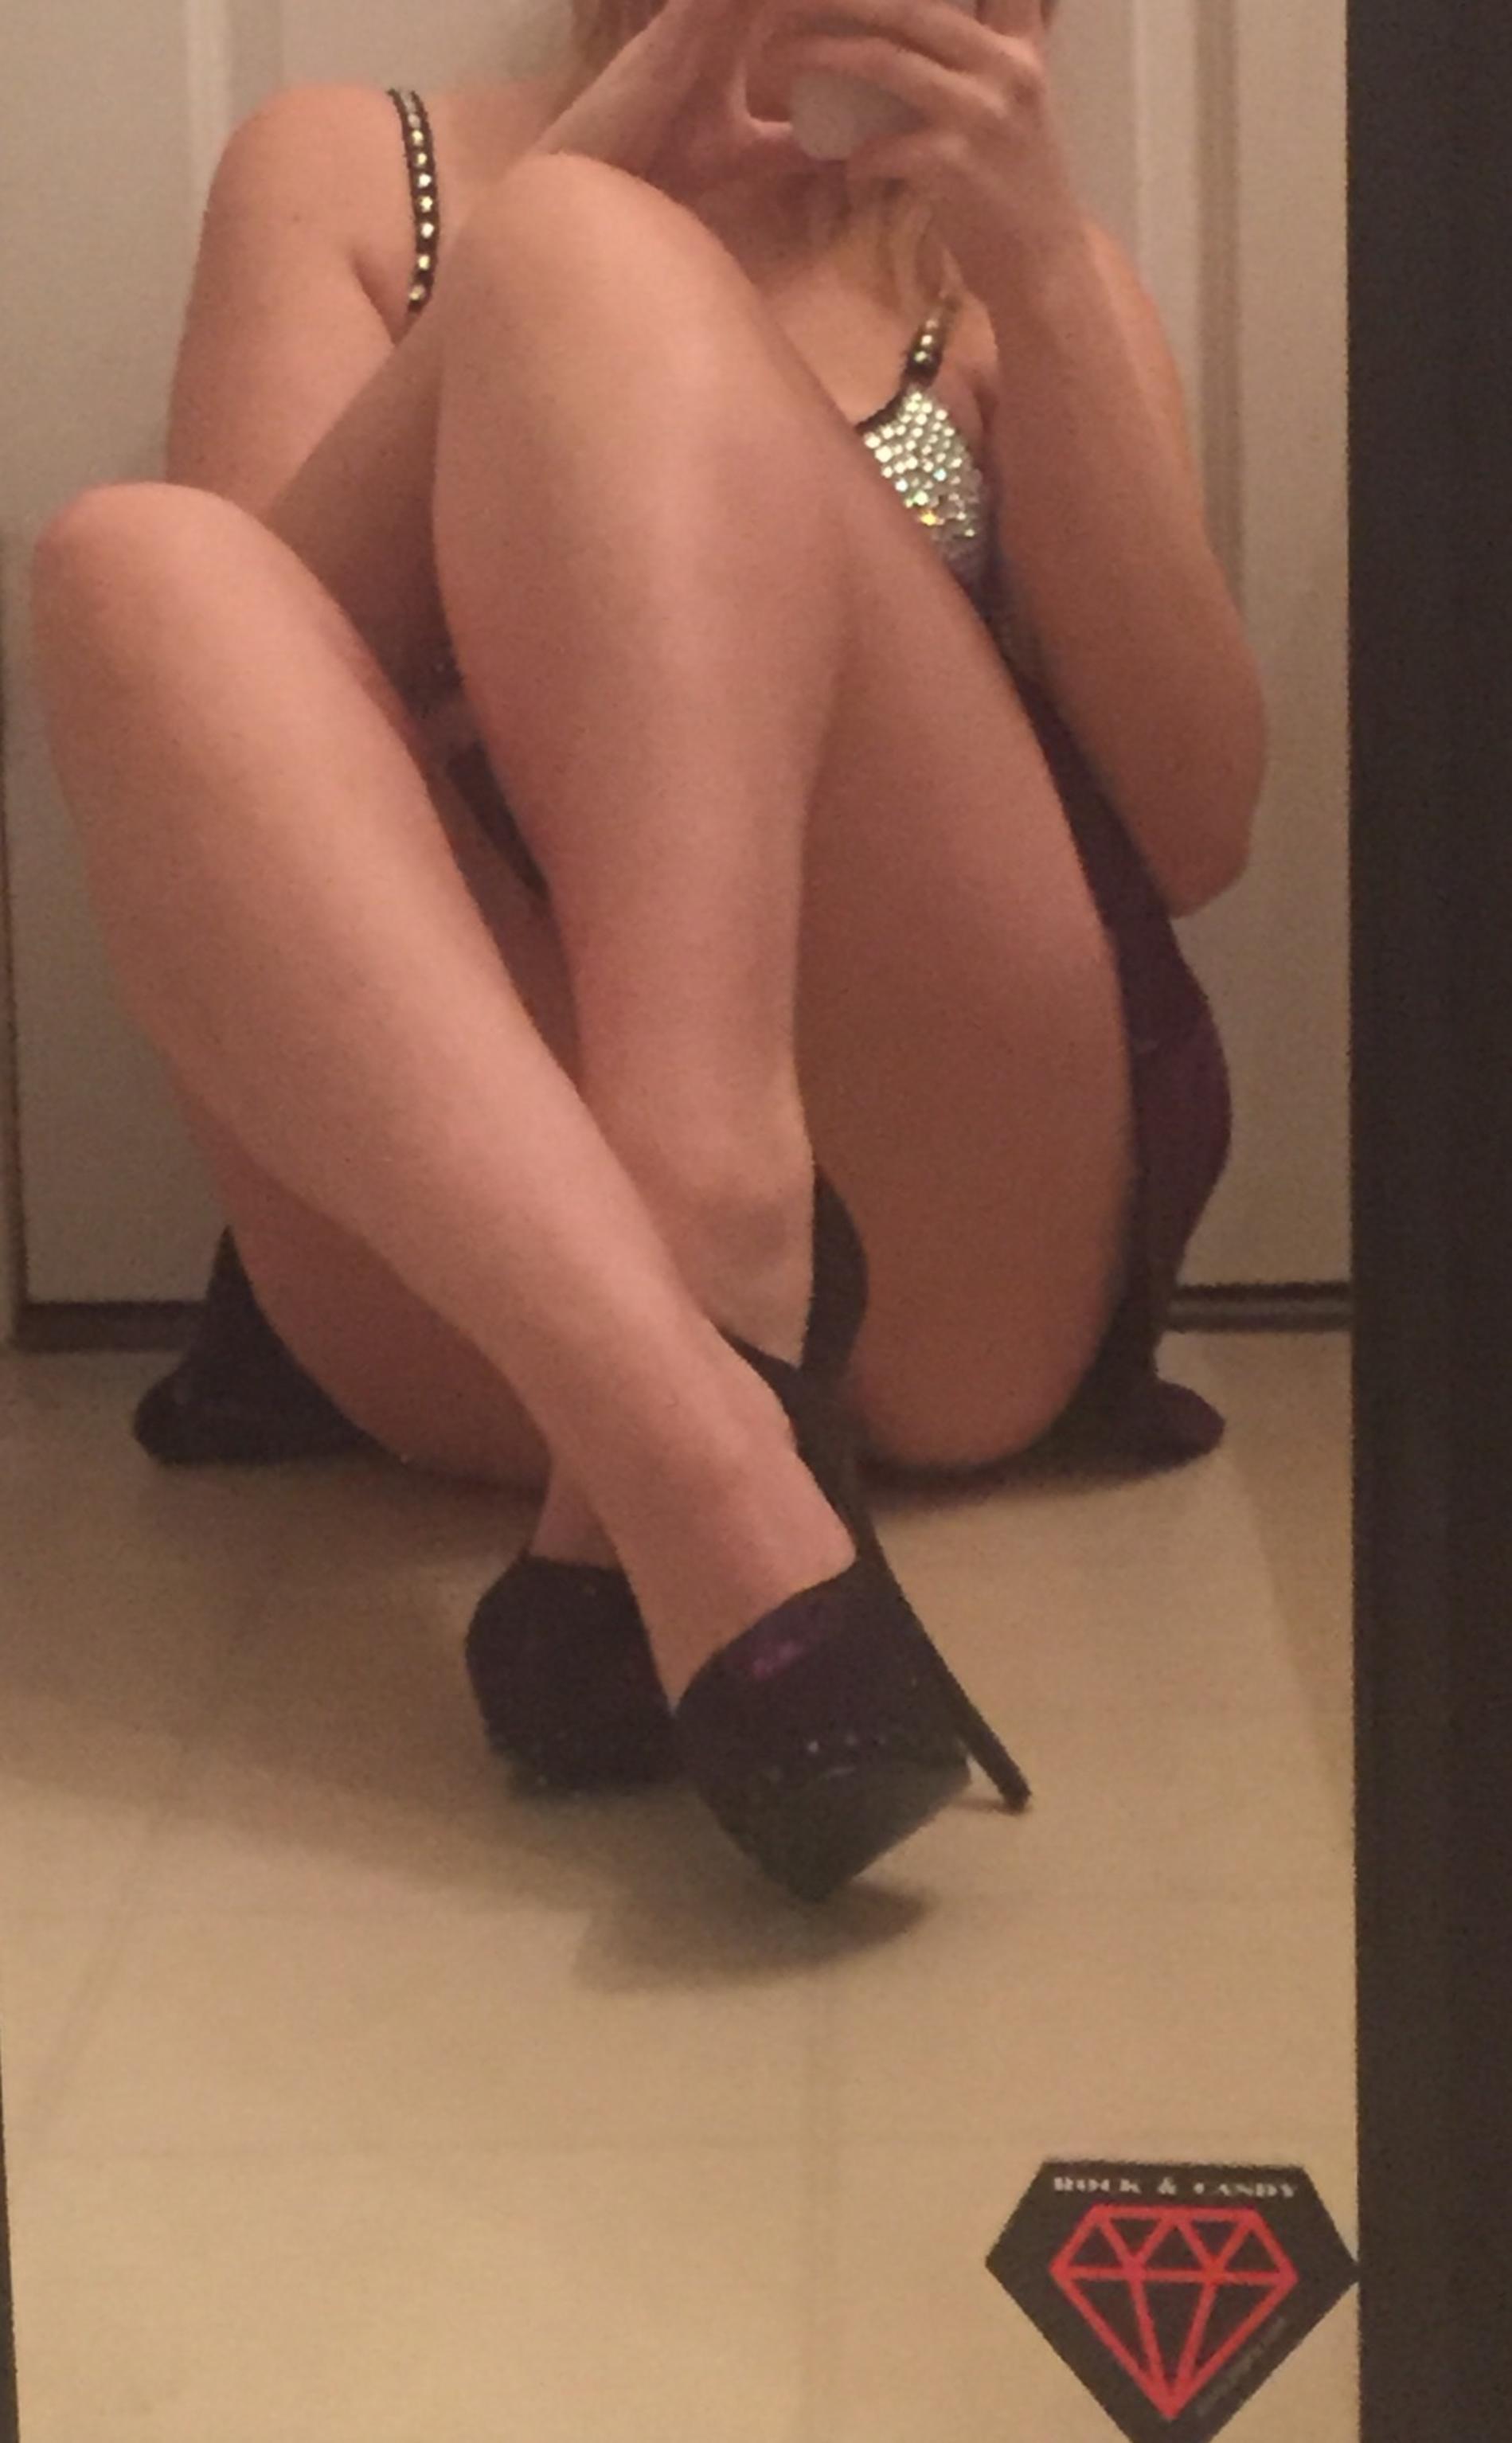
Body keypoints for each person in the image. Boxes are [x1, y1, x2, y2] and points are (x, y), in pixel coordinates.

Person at [27, 0, 1264, 1900]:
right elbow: (219, 743)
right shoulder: (353, 177)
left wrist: (1032, 265)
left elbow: (1193, 828)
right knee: (128, 572)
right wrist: (558, 233)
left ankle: (714, 1210)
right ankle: (700, 1447)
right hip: (493, 1300)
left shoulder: (1010, 268)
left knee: (580, 259)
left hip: (942, 1248)